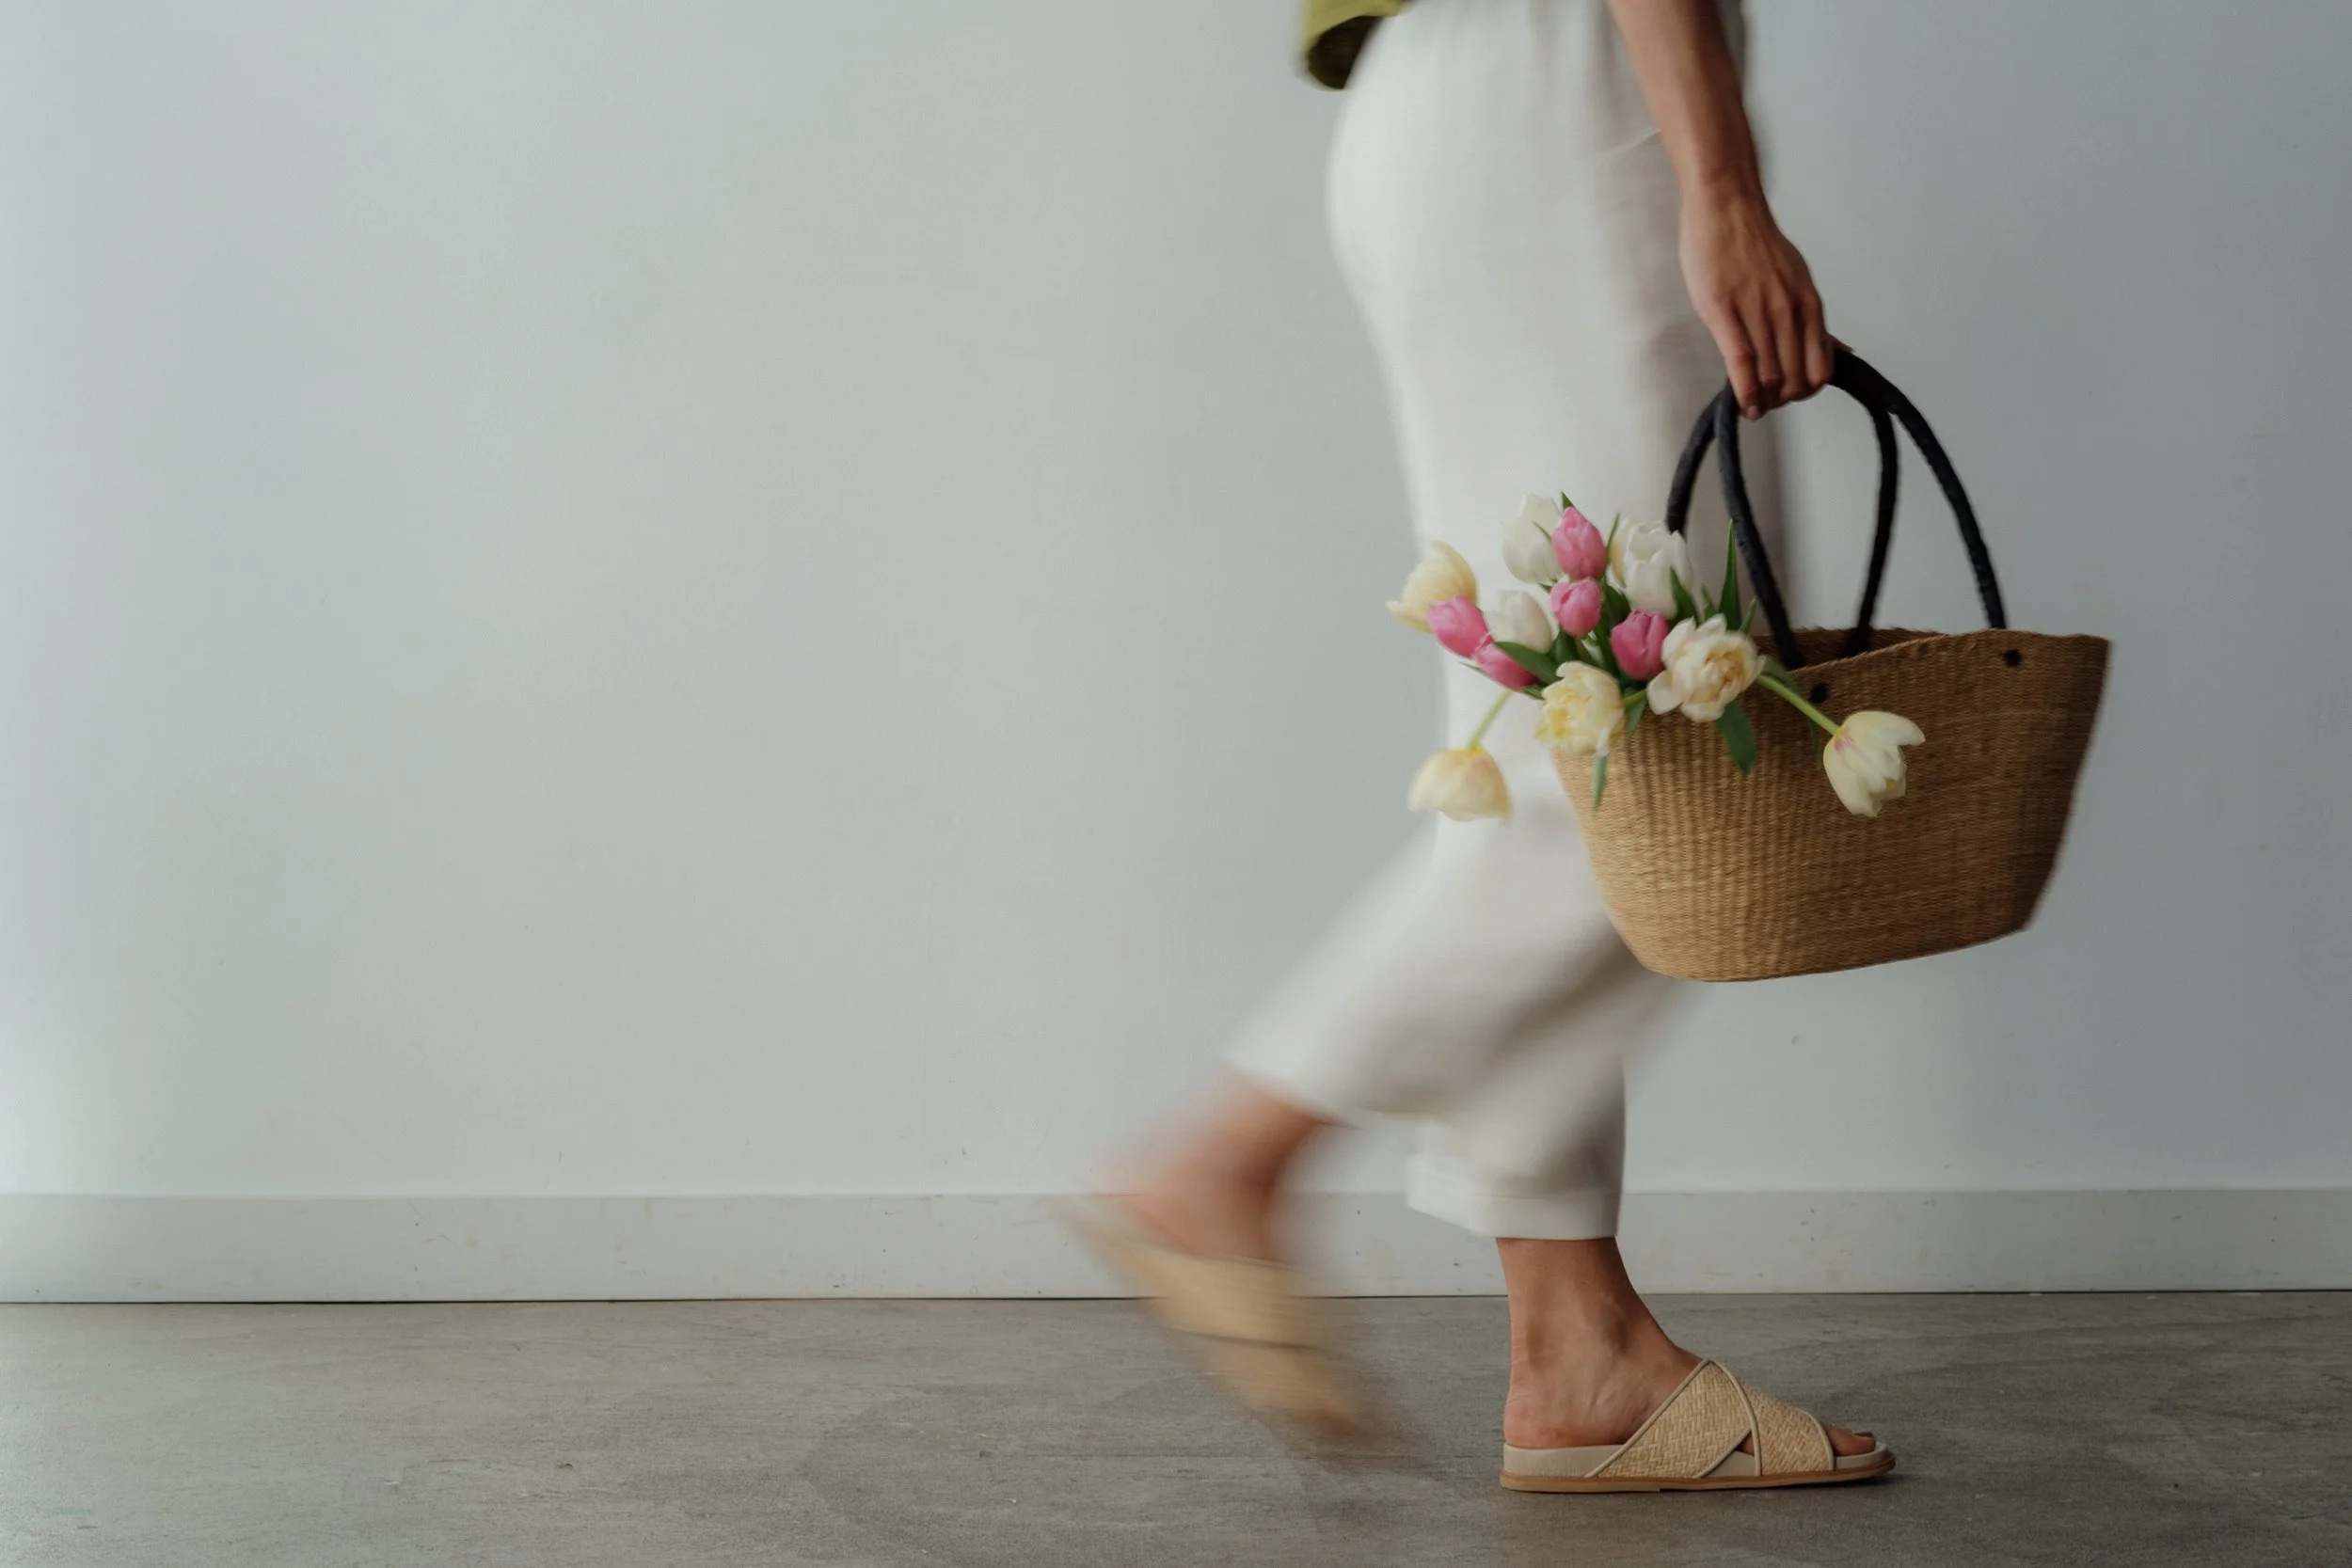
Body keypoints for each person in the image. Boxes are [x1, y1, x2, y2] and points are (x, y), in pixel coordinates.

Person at [1071, 0, 1891, 1491]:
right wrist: (1721, 188)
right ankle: (1228, 1155)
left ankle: (1579, 1352)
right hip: (1570, 83)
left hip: (1466, 103)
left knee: (1566, 733)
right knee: (1670, 745)